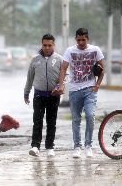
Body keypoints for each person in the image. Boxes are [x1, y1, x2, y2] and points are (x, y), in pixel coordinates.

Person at [57, 28, 104, 158]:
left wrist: (98, 84)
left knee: (90, 116)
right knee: (76, 119)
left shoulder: (95, 50)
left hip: (90, 89)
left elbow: (102, 69)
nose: (81, 42)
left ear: (88, 39)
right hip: (74, 90)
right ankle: (77, 146)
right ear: (75, 39)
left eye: (83, 39)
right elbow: (63, 69)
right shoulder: (70, 51)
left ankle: (88, 145)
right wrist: (61, 86)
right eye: (78, 40)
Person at [24, 34, 63, 157]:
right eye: (44, 45)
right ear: (41, 45)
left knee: (51, 122)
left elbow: (65, 77)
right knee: (37, 121)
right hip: (39, 96)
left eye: (49, 45)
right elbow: (30, 78)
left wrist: (59, 87)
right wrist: (26, 92)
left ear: (54, 45)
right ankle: (35, 146)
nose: (47, 48)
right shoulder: (35, 59)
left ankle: (50, 147)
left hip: (53, 96)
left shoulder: (60, 59)